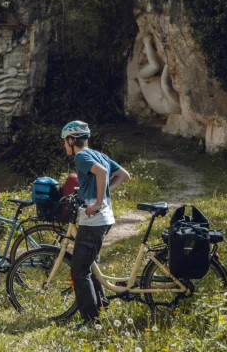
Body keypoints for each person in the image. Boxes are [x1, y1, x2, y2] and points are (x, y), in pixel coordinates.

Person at [61, 120, 131, 326]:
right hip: (105, 219)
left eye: (65, 142)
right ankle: (101, 304)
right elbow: (123, 175)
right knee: (89, 264)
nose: (65, 146)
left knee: (79, 271)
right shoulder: (98, 154)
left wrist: (98, 202)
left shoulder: (82, 156)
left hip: (94, 221)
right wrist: (102, 193)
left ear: (72, 140)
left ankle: (90, 321)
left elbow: (101, 173)